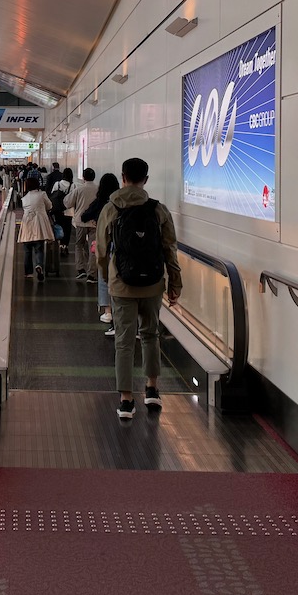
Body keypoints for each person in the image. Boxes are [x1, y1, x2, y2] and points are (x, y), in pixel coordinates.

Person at [96, 157, 182, 420]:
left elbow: (101, 251)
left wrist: (107, 276)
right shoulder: (159, 210)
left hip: (122, 285)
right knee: (150, 335)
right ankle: (153, 389)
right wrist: (175, 283)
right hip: (154, 284)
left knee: (124, 341)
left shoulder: (110, 209)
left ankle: (126, 401)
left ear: (123, 177)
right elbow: (170, 249)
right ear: (145, 179)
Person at [84, 172, 119, 331]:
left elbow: (85, 216)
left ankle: (108, 312)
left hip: (104, 243)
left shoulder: (100, 203)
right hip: (121, 247)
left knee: (104, 278)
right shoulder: (120, 202)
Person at [18, 173, 55, 283]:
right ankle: (39, 265)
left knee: (27, 250)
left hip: (27, 224)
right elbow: (50, 206)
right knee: (39, 249)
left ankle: (28, 273)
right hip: (39, 225)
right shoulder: (42, 194)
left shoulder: (24, 198)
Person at [66, 168, 99, 283]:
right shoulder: (98, 189)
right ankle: (92, 274)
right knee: (93, 248)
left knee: (79, 244)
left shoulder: (79, 189)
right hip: (94, 222)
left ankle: (81, 270)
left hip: (80, 222)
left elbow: (67, 202)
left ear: (84, 177)